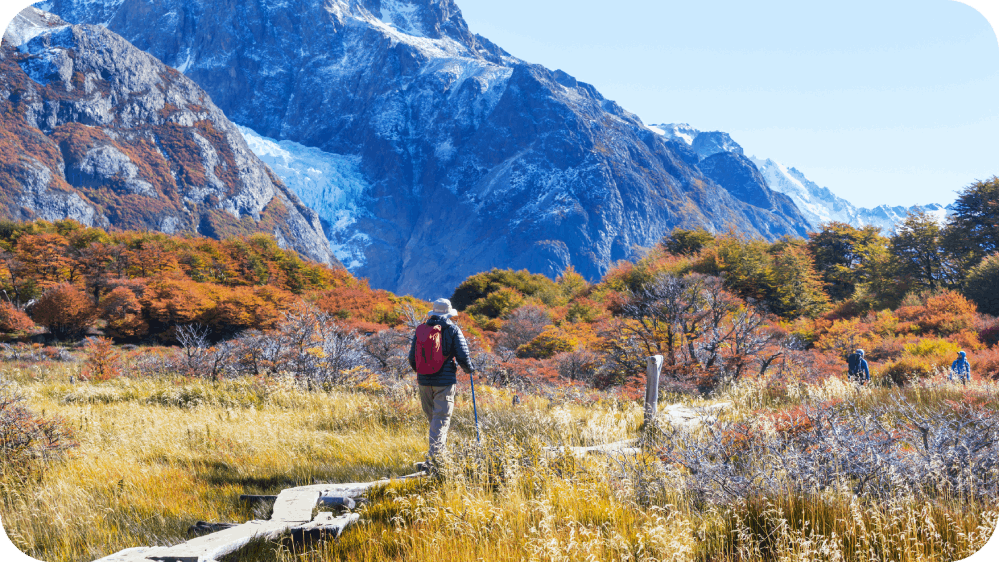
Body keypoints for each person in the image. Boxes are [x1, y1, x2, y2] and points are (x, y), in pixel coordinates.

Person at [408, 298, 475, 469]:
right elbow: (462, 355)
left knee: (434, 420)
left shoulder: (422, 330)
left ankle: (438, 456)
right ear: (448, 313)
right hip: (444, 382)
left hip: (423, 381)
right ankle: (436, 461)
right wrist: (469, 370)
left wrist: (422, 371)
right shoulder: (452, 329)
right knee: (441, 419)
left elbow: (411, 358)